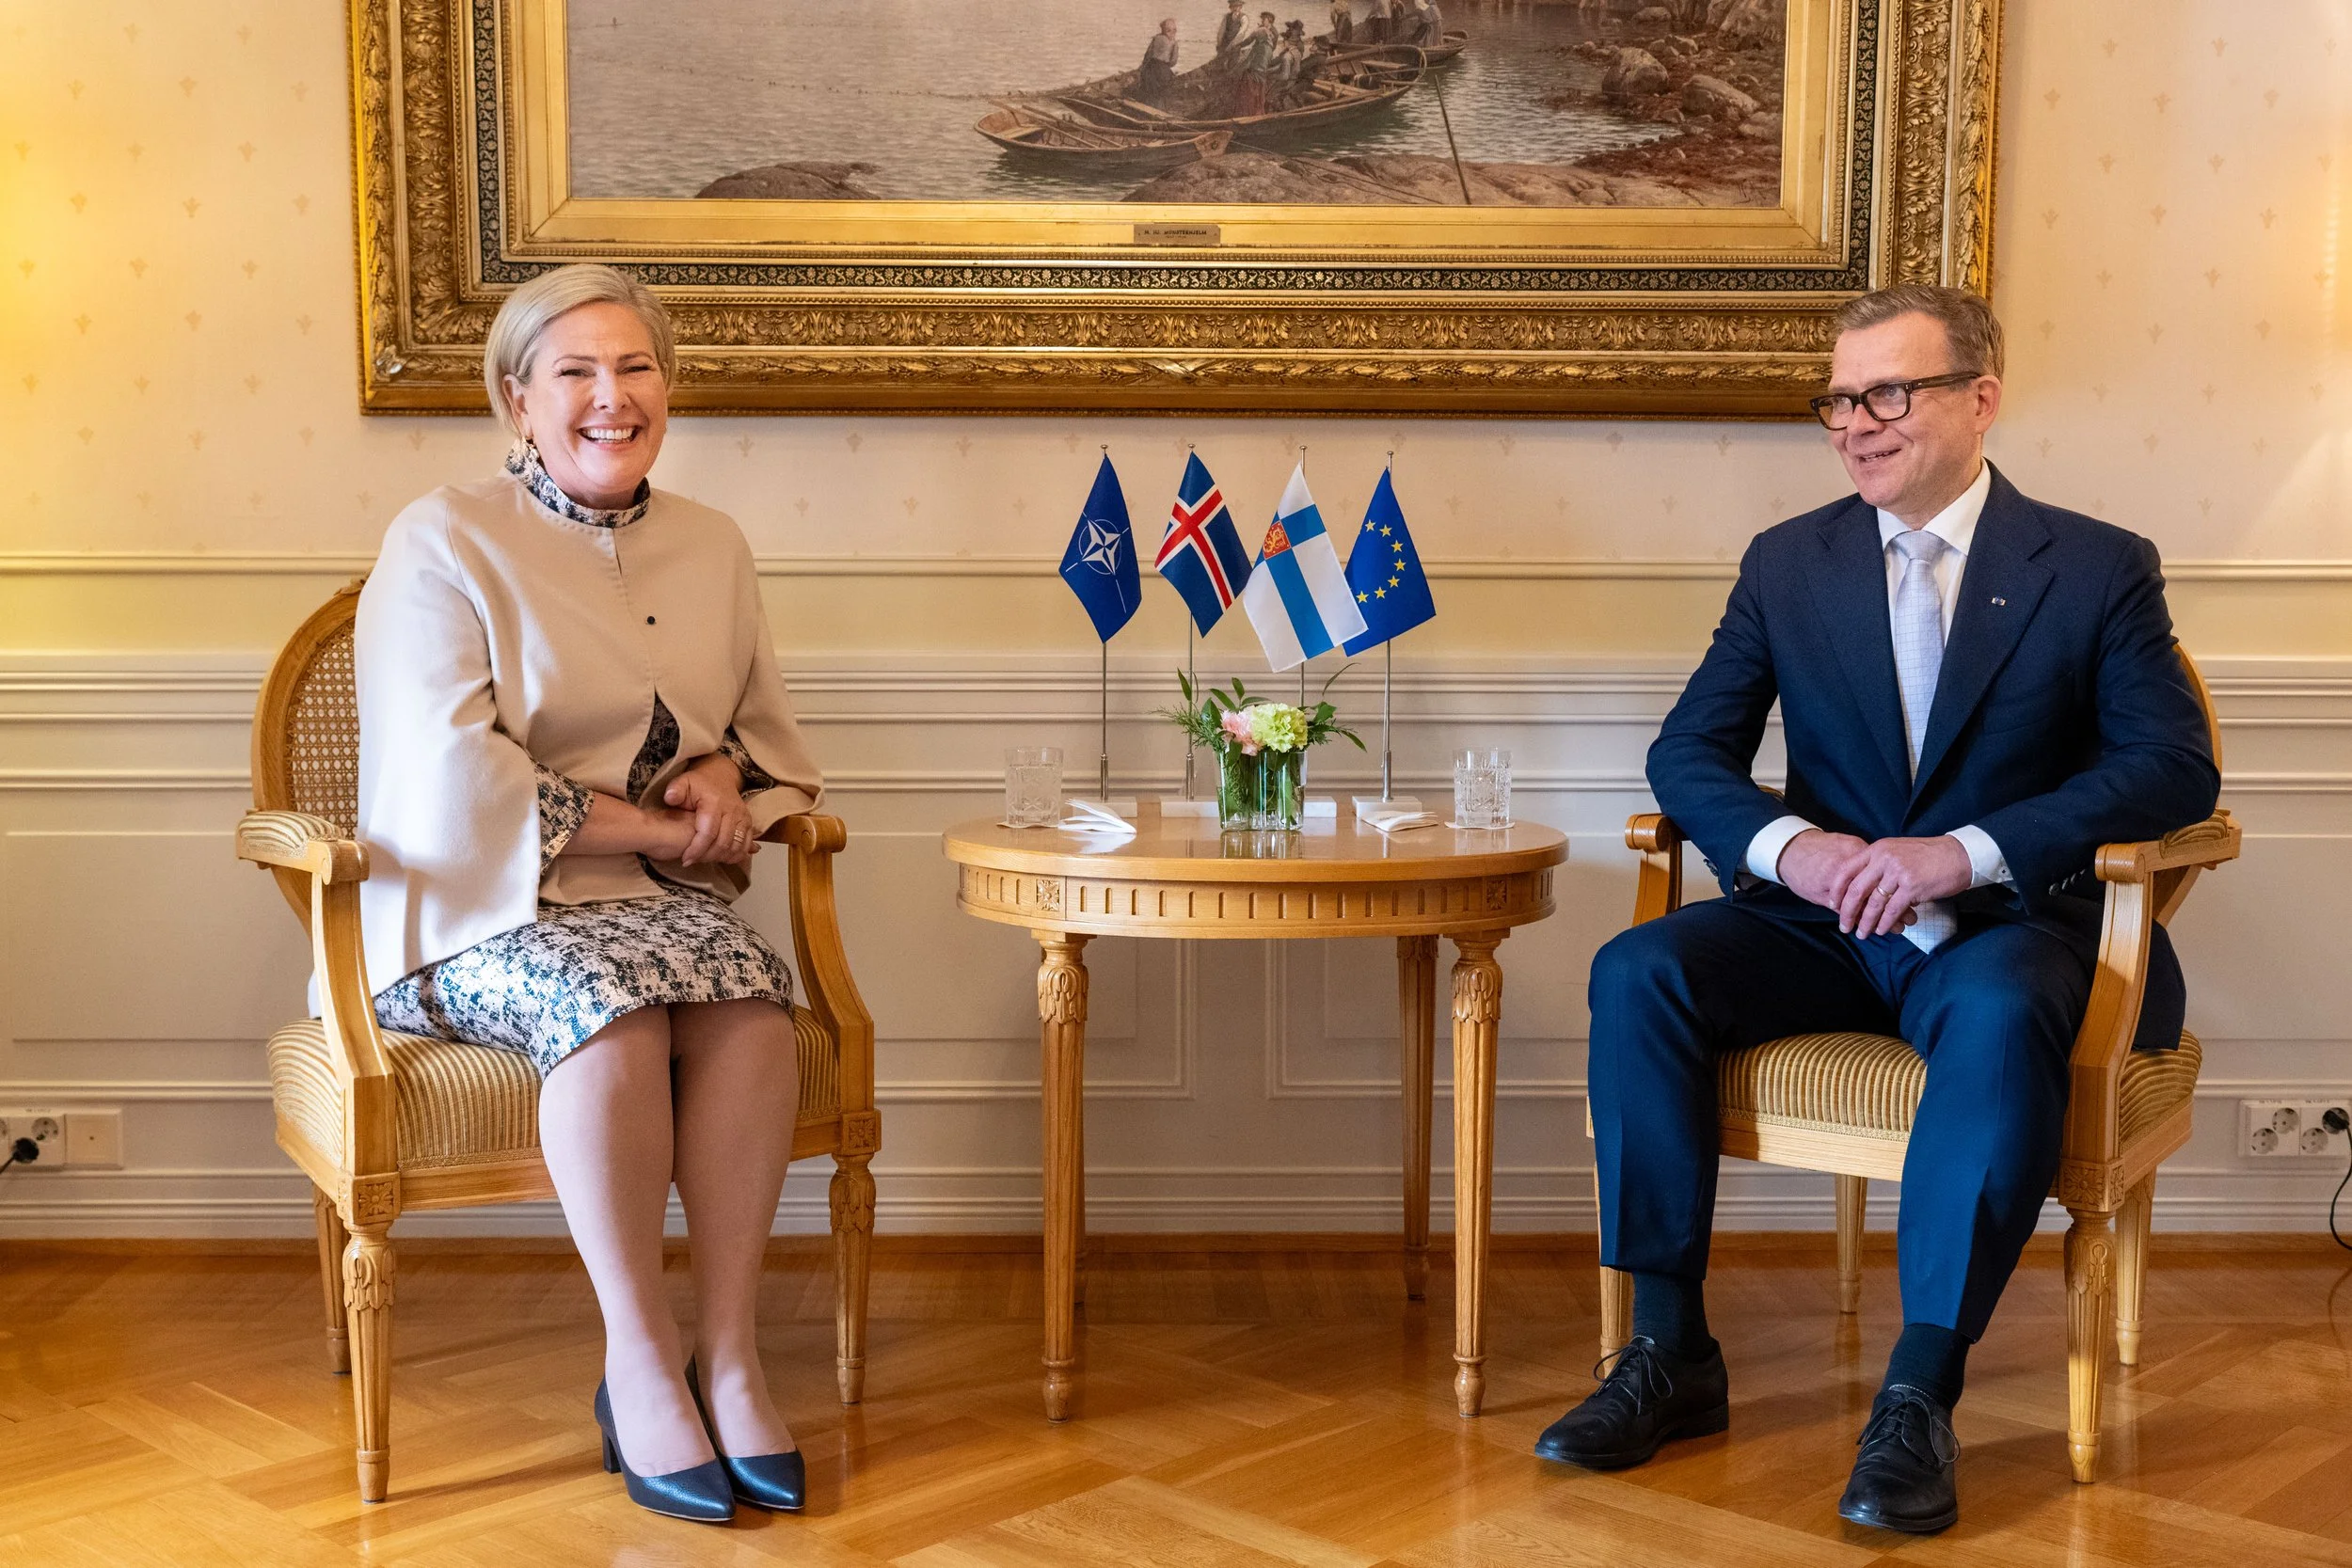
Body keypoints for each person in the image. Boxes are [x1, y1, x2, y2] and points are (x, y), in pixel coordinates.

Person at [1534, 285, 2219, 1535]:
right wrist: (1796, 851)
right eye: (1841, 399)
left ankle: (1920, 1392)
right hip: (1825, 923)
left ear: (1979, 397)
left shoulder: (2098, 565)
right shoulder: (1789, 561)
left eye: (1887, 392)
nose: (1857, 422)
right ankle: (1669, 1348)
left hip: (2010, 921)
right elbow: (1688, 752)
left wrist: (1957, 854)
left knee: (2005, 1006)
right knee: (1642, 968)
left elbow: (2171, 767)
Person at [356, 263, 824, 1527]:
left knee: (753, 1004)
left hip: (656, 906)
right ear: (518, 399)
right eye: (576, 372)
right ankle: (636, 1354)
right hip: (471, 911)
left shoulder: (713, 542)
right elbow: (455, 780)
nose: (612, 398)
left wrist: (722, 766)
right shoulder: (439, 539)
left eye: (635, 369)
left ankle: (728, 1354)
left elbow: (749, 729)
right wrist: (662, 823)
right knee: (612, 1010)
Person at [1138, 18, 1181, 106]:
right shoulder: (1174, 43)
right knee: (1164, 90)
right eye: (1170, 31)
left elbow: (1147, 56)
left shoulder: (1156, 38)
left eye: (1174, 30)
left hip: (1150, 68)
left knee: (1148, 89)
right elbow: (1173, 61)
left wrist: (1143, 68)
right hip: (1163, 70)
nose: (1173, 33)